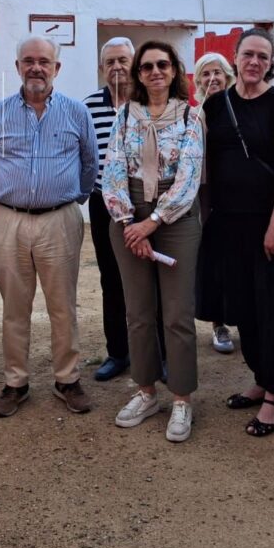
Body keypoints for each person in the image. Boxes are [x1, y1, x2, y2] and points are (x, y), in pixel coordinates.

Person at [0, 36, 97, 417]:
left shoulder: (77, 112)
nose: (36, 67)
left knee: (62, 306)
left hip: (60, 219)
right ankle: (16, 382)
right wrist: (12, 199)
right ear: (17, 67)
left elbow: (89, 165)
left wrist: (68, 201)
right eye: (28, 60)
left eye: (44, 61)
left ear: (56, 68)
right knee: (15, 306)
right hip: (10, 219)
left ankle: (67, 379)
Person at [200, 29, 274, 437]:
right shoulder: (215, 103)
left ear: (271, 61)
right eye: (248, 54)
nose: (254, 62)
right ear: (236, 57)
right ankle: (261, 379)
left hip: (268, 222)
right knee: (242, 306)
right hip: (227, 222)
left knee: (273, 307)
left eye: (263, 56)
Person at [102, 41, 204, 442]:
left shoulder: (191, 118)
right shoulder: (126, 115)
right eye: (147, 67)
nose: (155, 72)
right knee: (139, 312)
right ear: (138, 75)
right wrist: (129, 220)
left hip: (174, 219)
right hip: (127, 214)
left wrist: (154, 221)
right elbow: (111, 169)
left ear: (175, 70)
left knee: (176, 314)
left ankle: (181, 398)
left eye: (163, 64)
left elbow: (189, 177)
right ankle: (146, 391)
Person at [84, 38, 165, 382]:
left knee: (154, 280)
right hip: (104, 204)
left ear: (134, 65)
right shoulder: (86, 107)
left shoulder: (151, 103)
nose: (117, 67)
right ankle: (118, 352)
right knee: (111, 279)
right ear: (102, 69)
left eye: (123, 60)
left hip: (147, 204)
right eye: (110, 62)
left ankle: (157, 355)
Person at [191, 51, 237, 355]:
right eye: (205, 74)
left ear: (228, 75)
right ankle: (219, 324)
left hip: (242, 196)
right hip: (210, 197)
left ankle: (245, 318)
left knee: (241, 262)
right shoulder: (196, 114)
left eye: (217, 72)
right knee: (214, 263)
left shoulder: (240, 107)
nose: (212, 79)